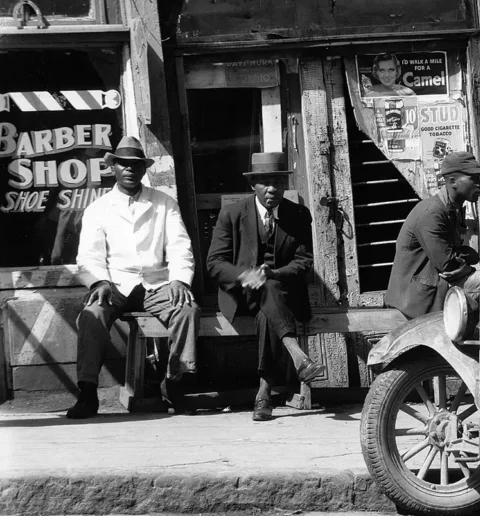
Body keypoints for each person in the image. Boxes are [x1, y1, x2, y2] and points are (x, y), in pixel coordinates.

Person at [67, 136, 198, 419]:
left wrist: (179, 279)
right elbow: (88, 257)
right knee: (90, 316)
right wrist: (100, 282)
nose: (130, 170)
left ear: (144, 169)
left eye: (136, 165)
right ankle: (87, 393)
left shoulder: (164, 203)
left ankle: (176, 383)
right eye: (123, 164)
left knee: (187, 309)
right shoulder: (98, 209)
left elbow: (179, 245)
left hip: (156, 283)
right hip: (115, 284)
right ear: (113, 167)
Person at [206, 152, 324, 422]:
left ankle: (263, 394)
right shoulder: (232, 214)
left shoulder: (298, 214)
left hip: (282, 297)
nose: (272, 189)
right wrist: (249, 277)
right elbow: (214, 263)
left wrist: (275, 273)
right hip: (242, 295)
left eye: (279, 182)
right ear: (253, 185)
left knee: (268, 307)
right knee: (267, 289)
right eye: (265, 182)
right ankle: (297, 355)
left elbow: (304, 262)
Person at [385, 151, 480, 319]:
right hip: (418, 301)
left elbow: (453, 253)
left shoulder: (453, 208)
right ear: (453, 181)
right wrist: (466, 259)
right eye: (473, 179)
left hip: (437, 288)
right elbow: (448, 265)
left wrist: (465, 255)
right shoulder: (432, 213)